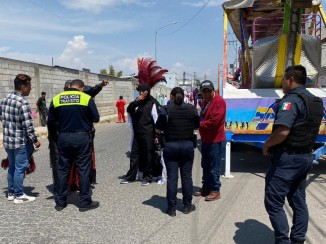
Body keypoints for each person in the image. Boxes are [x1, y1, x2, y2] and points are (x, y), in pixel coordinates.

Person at [262, 65, 323, 244]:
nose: (282, 84)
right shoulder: (314, 100)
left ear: (290, 80)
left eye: (283, 80)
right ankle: (297, 240)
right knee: (298, 200)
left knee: (273, 202)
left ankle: (283, 241)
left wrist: (267, 145)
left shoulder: (291, 101)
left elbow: (282, 131)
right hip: (305, 156)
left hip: (288, 158)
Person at [47, 79, 100, 212]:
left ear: (70, 86)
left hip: (64, 137)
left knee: (63, 169)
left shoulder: (57, 98)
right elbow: (96, 118)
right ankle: (84, 202)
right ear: (81, 88)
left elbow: (51, 120)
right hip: (82, 137)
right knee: (83, 169)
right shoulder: (86, 98)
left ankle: (60, 202)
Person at [120, 57, 167, 186]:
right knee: (134, 155)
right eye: (140, 91)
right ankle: (131, 176)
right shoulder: (137, 103)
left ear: (148, 91)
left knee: (148, 156)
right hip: (137, 133)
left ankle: (147, 177)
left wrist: (157, 136)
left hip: (148, 134)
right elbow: (129, 110)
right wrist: (137, 101)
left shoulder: (152, 103)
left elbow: (157, 120)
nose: (142, 93)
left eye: (144, 91)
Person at [155, 87, 199, 217]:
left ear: (172, 96)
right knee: (186, 177)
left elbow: (157, 129)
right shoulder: (192, 109)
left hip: (170, 146)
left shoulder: (165, 110)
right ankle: (187, 206)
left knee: (172, 178)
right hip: (187, 146)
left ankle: (172, 209)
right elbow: (197, 126)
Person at [0, 74, 41, 204]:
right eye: (29, 87)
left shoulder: (5, 99)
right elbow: (28, 125)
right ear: (23, 87)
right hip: (19, 142)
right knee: (20, 167)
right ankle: (19, 195)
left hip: (7, 140)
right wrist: (35, 140)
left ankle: (11, 192)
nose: (30, 89)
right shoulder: (22, 102)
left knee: (12, 166)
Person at [194, 80, 226, 201]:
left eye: (208, 91)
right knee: (205, 165)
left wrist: (198, 125)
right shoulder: (205, 102)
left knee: (214, 167)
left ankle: (215, 190)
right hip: (206, 140)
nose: (206, 94)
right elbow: (202, 116)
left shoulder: (219, 101)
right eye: (204, 91)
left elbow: (214, 122)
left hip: (215, 140)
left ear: (213, 90)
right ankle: (206, 188)